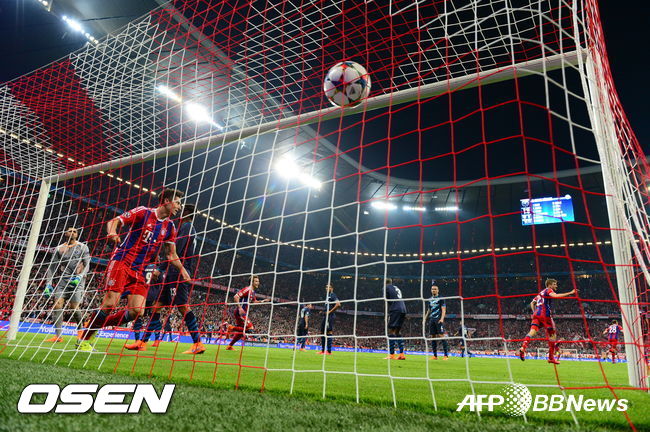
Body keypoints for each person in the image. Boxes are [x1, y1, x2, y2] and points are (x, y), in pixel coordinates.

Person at [76, 189, 191, 352]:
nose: (179, 207)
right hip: (122, 261)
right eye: (177, 202)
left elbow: (171, 254)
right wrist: (112, 232)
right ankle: (84, 340)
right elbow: (115, 220)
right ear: (166, 201)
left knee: (137, 311)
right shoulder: (143, 212)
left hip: (140, 270)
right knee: (110, 303)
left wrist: (183, 270)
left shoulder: (170, 227)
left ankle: (94, 325)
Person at [125, 204, 204, 354]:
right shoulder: (189, 228)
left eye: (181, 210)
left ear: (187, 213)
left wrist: (160, 268)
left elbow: (175, 252)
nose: (178, 212)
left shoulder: (186, 227)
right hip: (172, 272)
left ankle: (198, 343)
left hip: (177, 272)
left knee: (182, 306)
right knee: (157, 306)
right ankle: (142, 342)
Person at [43, 227, 90, 343]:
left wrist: (80, 276)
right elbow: (52, 267)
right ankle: (58, 336)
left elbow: (87, 264)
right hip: (63, 281)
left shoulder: (83, 247)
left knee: (74, 308)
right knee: (57, 305)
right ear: (65, 233)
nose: (72, 233)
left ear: (77, 235)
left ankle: (80, 330)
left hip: (77, 281)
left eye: (75, 231)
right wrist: (48, 283)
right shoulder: (59, 249)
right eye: (70, 231)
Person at [518, 278, 577, 364]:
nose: (556, 286)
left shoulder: (540, 293)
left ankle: (523, 347)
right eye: (554, 284)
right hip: (545, 315)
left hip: (536, 314)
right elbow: (555, 296)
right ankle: (551, 357)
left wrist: (534, 312)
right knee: (553, 335)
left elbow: (532, 303)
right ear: (549, 285)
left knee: (532, 332)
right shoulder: (548, 290)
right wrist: (570, 293)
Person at [226, 275, 270, 351]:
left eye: (258, 281)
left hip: (243, 312)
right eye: (256, 281)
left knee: (241, 332)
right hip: (241, 312)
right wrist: (240, 308)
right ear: (251, 282)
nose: (258, 283)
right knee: (250, 329)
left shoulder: (252, 292)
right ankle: (231, 328)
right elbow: (236, 297)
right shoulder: (247, 289)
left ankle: (229, 346)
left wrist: (263, 301)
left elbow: (254, 301)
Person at [384, 278, 407, 360]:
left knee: (391, 331)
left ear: (385, 283)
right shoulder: (396, 287)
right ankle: (401, 354)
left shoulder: (386, 287)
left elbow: (386, 300)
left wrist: (386, 314)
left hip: (395, 309)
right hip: (403, 309)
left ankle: (391, 354)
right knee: (397, 332)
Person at [426, 284, 449, 360]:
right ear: (431, 290)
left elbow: (443, 309)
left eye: (435, 289)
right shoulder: (430, 299)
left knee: (441, 335)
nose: (434, 290)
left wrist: (442, 318)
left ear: (438, 290)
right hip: (432, 319)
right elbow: (429, 310)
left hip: (438, 319)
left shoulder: (441, 299)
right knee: (433, 337)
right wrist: (425, 319)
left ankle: (446, 355)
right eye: (432, 289)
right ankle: (435, 356)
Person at [319, 284, 340, 355]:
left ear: (332, 288)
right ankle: (323, 351)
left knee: (329, 332)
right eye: (326, 287)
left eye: (328, 287)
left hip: (330, 316)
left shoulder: (332, 295)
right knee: (322, 332)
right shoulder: (328, 296)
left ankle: (329, 351)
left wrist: (329, 312)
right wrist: (323, 311)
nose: (326, 288)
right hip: (325, 316)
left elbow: (338, 304)